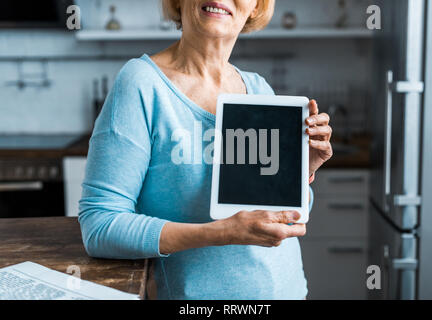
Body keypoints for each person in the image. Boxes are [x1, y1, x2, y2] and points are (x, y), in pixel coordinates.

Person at [79, 0, 333, 299]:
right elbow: (101, 226)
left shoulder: (258, 88)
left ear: (255, 7)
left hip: (289, 291)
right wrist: (221, 233)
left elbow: (287, 215)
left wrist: (303, 170)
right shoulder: (142, 84)